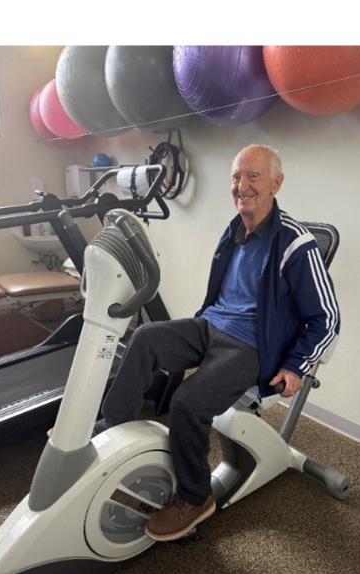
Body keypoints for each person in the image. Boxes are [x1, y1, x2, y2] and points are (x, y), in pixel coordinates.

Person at [98, 143, 340, 542]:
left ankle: (195, 499)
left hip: (252, 347)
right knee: (144, 338)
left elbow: (327, 316)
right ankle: (113, 426)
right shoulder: (235, 231)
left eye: (253, 176)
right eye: (236, 177)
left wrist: (297, 365)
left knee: (188, 403)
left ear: (276, 183)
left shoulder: (296, 243)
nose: (242, 185)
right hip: (210, 326)